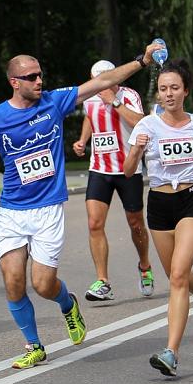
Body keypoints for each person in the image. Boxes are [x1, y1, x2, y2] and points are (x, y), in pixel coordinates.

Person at [0, 41, 163, 369]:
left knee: (43, 284)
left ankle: (67, 304)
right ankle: (34, 345)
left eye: (40, 74)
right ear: (14, 82)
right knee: (13, 281)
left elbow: (103, 81)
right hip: (11, 211)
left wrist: (141, 61)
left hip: (47, 210)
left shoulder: (54, 102)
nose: (39, 81)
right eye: (31, 77)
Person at [124, 60, 193, 376]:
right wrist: (136, 152)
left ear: (186, 91)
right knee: (175, 274)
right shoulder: (146, 126)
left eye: (174, 88)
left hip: (191, 200)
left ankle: (171, 353)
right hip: (159, 203)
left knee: (178, 276)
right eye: (163, 88)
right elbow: (128, 171)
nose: (168, 94)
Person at [72, 59, 155, 301]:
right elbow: (89, 118)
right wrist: (83, 140)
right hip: (99, 169)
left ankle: (145, 266)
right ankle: (103, 281)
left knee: (136, 224)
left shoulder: (129, 95)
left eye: (106, 79)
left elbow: (140, 123)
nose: (101, 84)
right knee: (94, 224)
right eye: (96, 79)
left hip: (128, 169)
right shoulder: (89, 97)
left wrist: (114, 102)